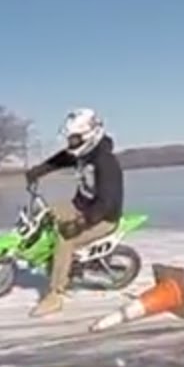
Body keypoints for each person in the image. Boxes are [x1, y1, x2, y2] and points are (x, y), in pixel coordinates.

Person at [23, 107, 124, 318]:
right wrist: (38, 171)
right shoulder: (85, 154)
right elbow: (62, 159)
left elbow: (108, 203)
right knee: (48, 213)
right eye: (70, 140)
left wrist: (80, 224)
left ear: (89, 135)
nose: (71, 145)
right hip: (82, 206)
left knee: (65, 238)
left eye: (74, 140)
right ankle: (46, 258)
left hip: (103, 217)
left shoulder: (105, 163)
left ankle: (55, 294)